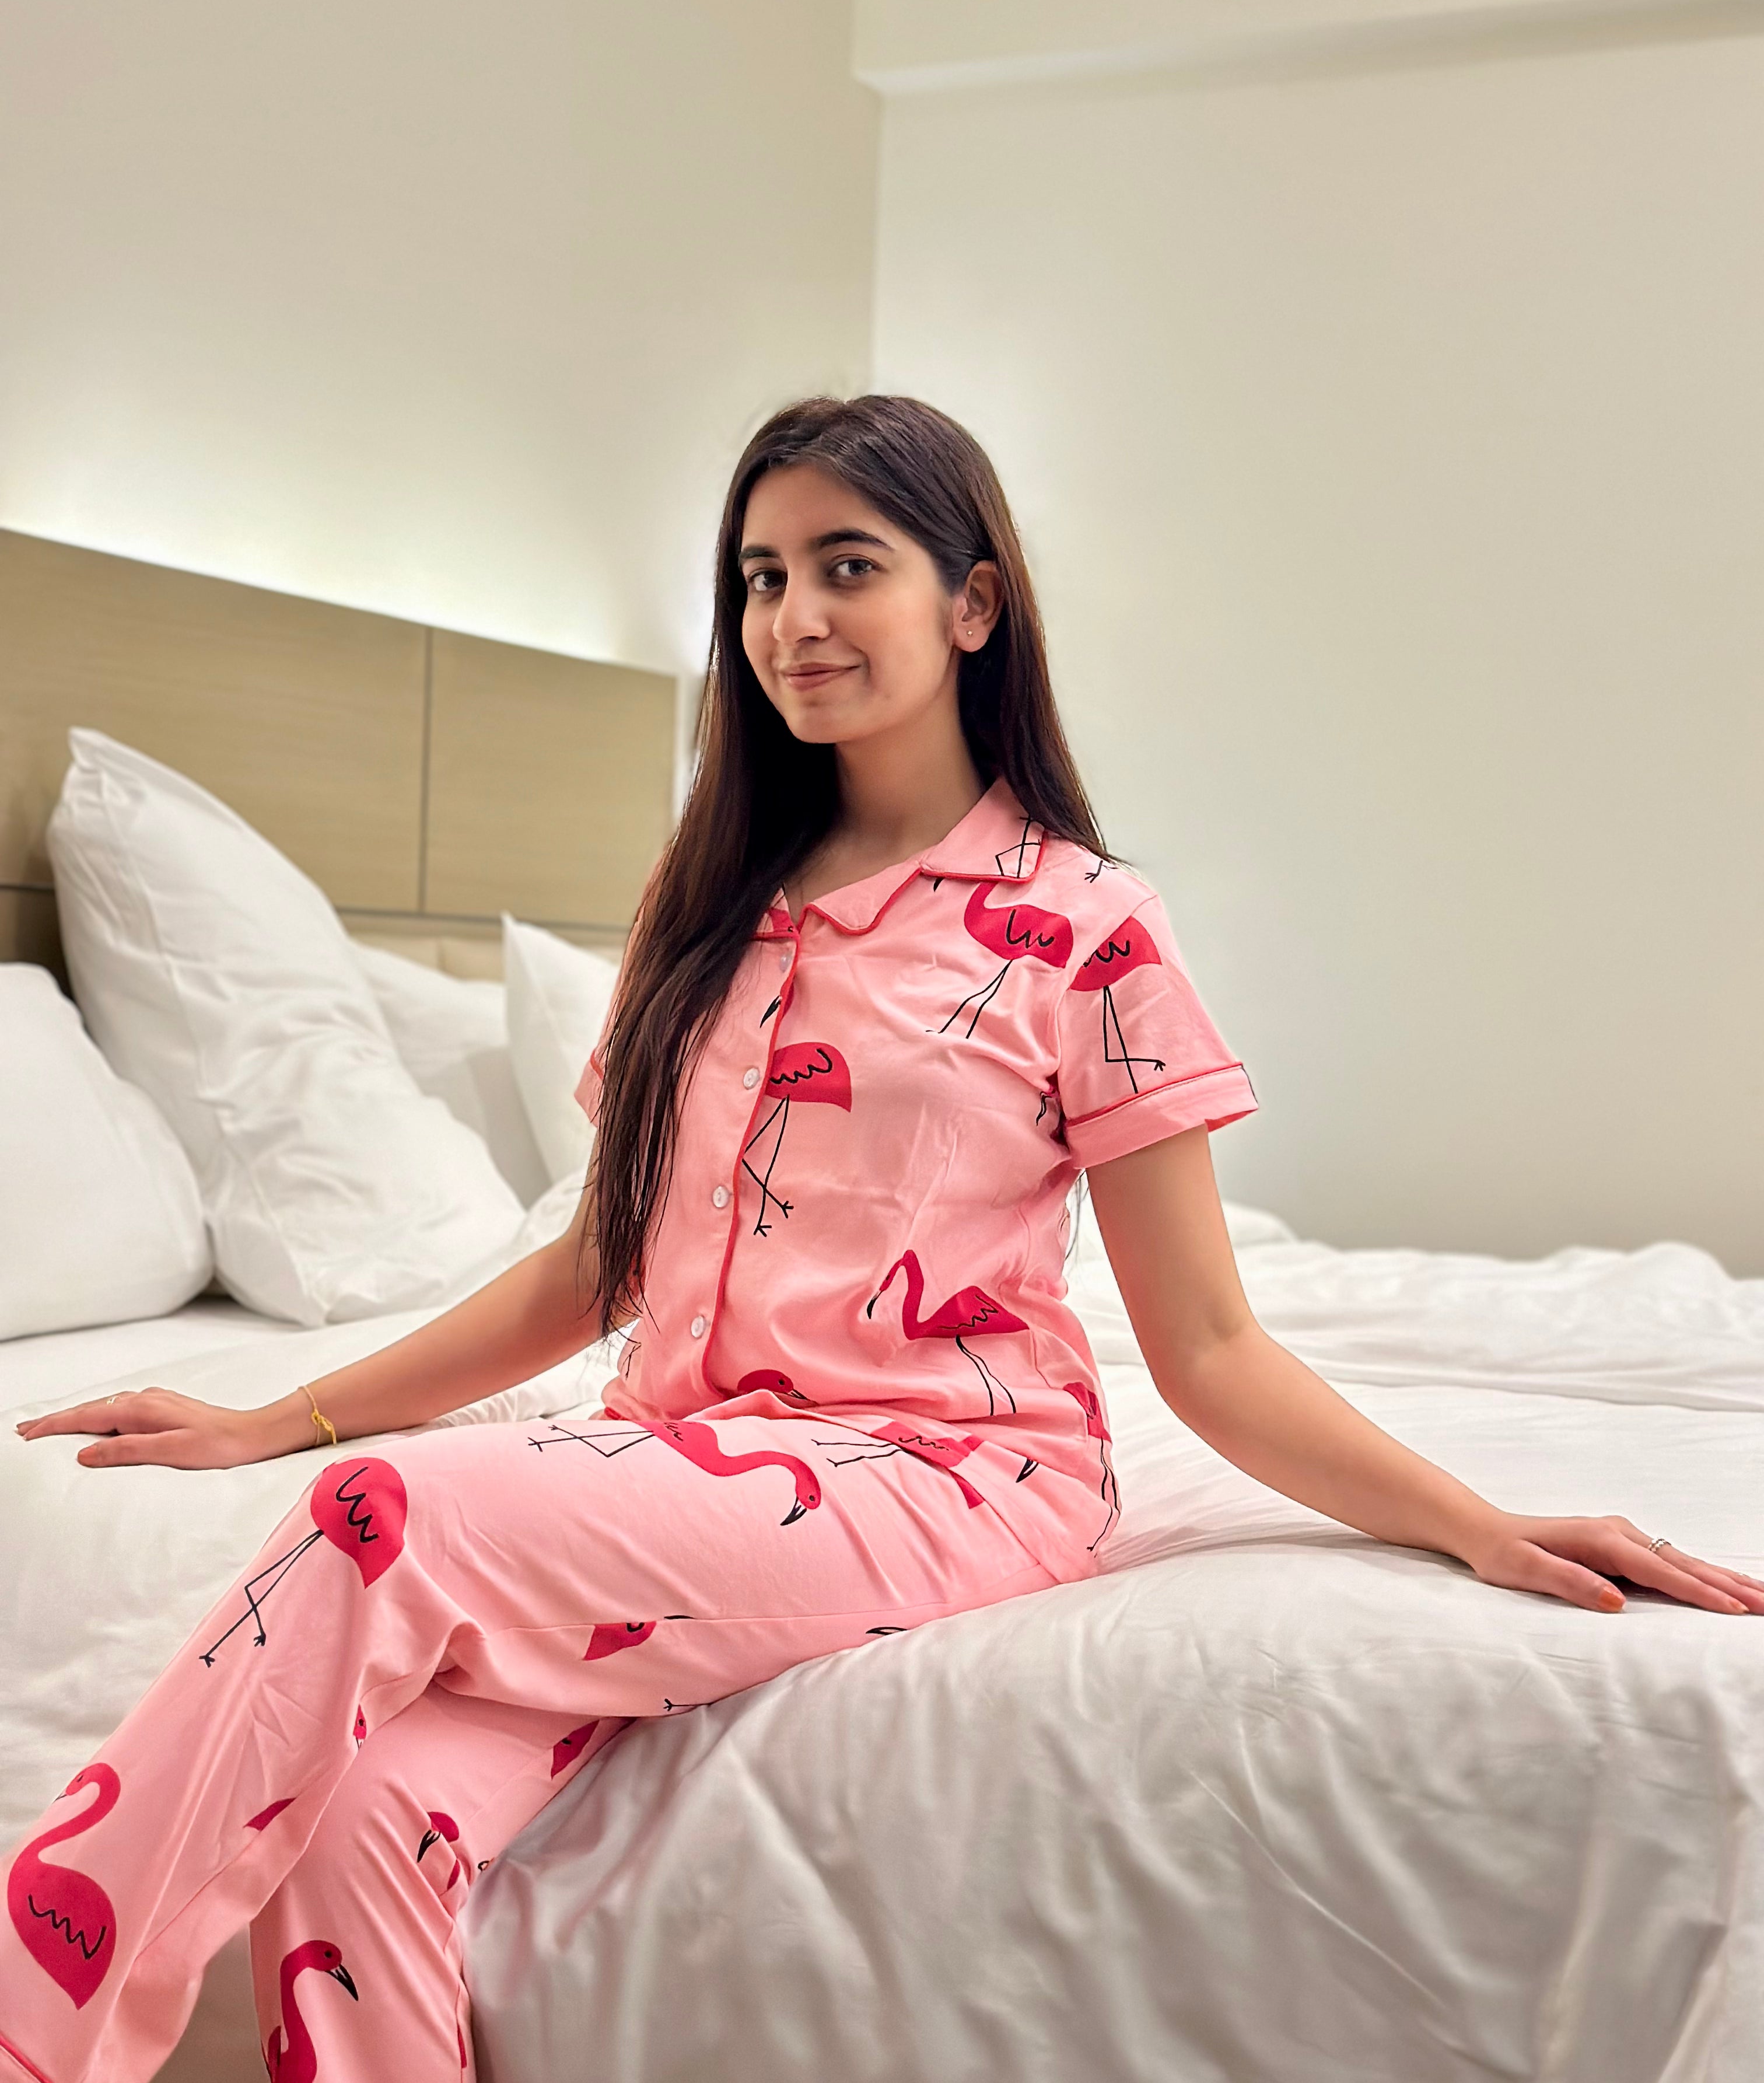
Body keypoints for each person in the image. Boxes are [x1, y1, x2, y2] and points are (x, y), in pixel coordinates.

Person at [4, 393, 1758, 2083]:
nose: (793, 616)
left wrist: (1475, 1523)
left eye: (847, 564)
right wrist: (281, 1409)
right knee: (352, 1829)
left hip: (944, 1470)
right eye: (761, 578)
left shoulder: (1085, 930)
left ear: (972, 601)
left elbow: (1210, 1345)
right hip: (676, 1461)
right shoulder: (705, 911)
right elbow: (593, 1267)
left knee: (384, 1521)